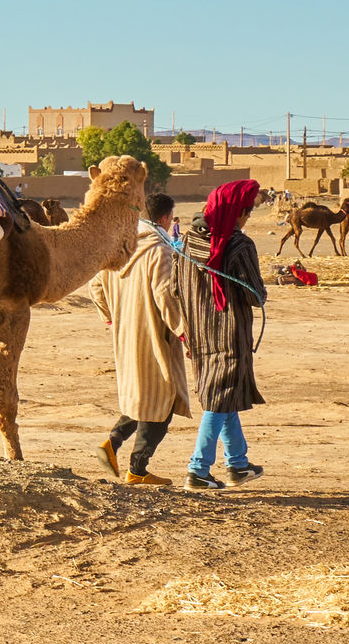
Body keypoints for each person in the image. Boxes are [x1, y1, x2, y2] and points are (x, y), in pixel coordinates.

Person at [90, 192, 191, 486]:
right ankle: (137, 469)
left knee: (142, 398)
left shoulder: (117, 247)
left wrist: (112, 318)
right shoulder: (160, 250)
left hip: (125, 335)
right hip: (154, 337)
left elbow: (95, 286)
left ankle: (112, 443)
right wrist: (183, 331)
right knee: (162, 403)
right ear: (165, 218)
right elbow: (165, 296)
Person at [179, 179, 268, 489]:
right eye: (248, 211)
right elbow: (254, 295)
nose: (248, 217)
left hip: (198, 333)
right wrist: (261, 293)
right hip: (229, 334)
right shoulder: (240, 245)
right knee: (218, 401)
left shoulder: (188, 240)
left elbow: (178, 288)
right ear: (237, 211)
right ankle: (198, 469)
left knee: (223, 395)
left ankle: (238, 465)